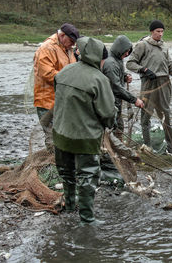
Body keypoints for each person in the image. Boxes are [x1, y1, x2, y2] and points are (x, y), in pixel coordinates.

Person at [53, 36, 117, 225]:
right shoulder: (99, 79)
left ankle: (70, 205)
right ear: (98, 57)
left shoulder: (64, 72)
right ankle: (87, 218)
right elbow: (107, 112)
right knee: (87, 176)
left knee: (66, 173)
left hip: (60, 134)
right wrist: (110, 123)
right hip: (85, 137)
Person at [126, 20, 172, 156]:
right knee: (145, 116)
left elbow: (170, 65)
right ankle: (147, 146)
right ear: (152, 32)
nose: (160, 34)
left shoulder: (164, 46)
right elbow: (130, 63)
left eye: (162, 31)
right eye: (158, 31)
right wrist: (144, 70)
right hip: (149, 84)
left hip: (164, 84)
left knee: (166, 115)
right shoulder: (142, 45)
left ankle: (171, 147)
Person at [33, 23, 79, 150]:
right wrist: (70, 80)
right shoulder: (47, 48)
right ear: (62, 35)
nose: (72, 44)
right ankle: (53, 162)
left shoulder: (67, 48)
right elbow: (47, 74)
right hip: (47, 101)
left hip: (62, 99)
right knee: (52, 135)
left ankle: (60, 161)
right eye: (71, 41)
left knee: (63, 133)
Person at [102, 35, 144, 141]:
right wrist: (134, 100)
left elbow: (117, 75)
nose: (127, 54)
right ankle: (110, 153)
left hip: (116, 104)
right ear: (119, 49)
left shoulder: (118, 59)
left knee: (119, 128)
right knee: (112, 129)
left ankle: (117, 150)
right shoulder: (110, 63)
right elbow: (116, 87)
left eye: (129, 51)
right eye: (126, 51)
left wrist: (125, 76)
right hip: (109, 104)